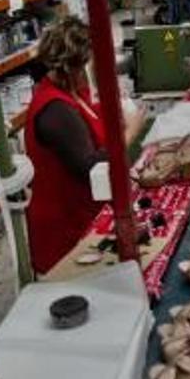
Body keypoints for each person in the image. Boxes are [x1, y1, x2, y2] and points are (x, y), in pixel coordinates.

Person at [24, 16, 147, 274]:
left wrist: (116, 107)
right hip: (67, 233)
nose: (87, 74)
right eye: (85, 66)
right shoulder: (54, 110)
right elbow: (91, 168)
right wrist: (132, 130)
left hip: (85, 213)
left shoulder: (70, 93)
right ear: (73, 67)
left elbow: (90, 116)